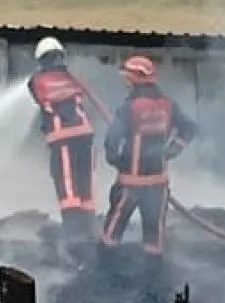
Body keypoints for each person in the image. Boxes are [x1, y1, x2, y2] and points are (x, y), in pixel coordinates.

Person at [100, 55, 197, 257]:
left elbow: (112, 141)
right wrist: (173, 150)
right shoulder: (168, 105)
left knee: (112, 232)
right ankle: (154, 270)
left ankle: (105, 266)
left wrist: (116, 160)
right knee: (154, 237)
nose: (126, 81)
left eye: (128, 77)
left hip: (130, 184)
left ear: (136, 78)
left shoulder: (129, 108)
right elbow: (188, 128)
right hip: (158, 185)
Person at [26, 37, 98, 241]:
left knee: (67, 187)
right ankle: (89, 229)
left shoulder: (37, 81)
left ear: (41, 60)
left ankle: (74, 234)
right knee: (85, 185)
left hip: (63, 137)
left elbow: (41, 100)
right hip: (85, 135)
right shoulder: (72, 79)